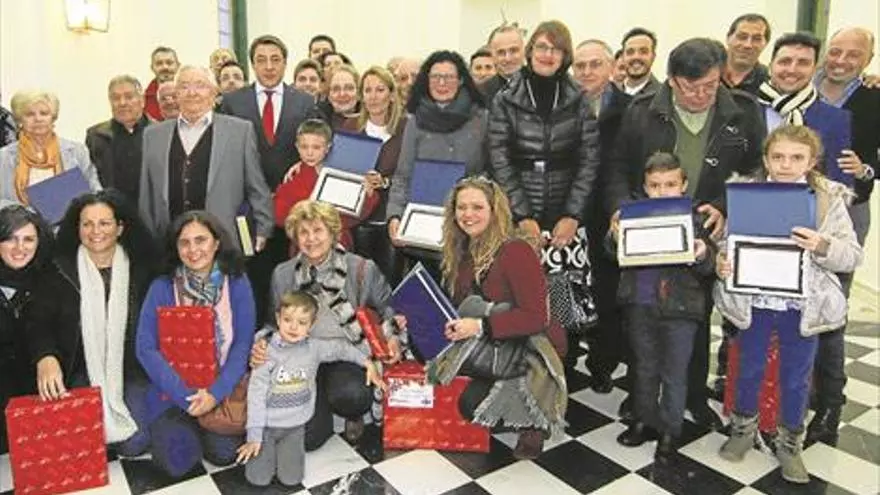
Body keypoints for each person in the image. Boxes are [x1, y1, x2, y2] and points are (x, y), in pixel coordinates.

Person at [606, 38, 765, 428]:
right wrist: (619, 209)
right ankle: (642, 397)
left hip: (704, 226)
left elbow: (755, 171)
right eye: (690, 87)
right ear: (672, 80)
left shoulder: (743, 111)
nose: (700, 95)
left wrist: (726, 207)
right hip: (649, 224)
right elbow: (618, 166)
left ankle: (693, 394)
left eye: (710, 86)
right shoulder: (642, 111)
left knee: (696, 313)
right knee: (642, 313)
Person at [716, 125, 863, 484]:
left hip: (802, 306)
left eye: (797, 158)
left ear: (811, 161)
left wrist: (822, 245)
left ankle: (790, 443)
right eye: (778, 157)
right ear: (766, 159)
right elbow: (727, 242)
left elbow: (852, 255)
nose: (786, 164)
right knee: (749, 367)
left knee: (796, 377)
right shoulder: (746, 193)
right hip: (754, 300)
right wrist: (723, 263)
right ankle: (742, 430)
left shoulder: (828, 198)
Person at [428, 177, 567, 460]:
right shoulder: (462, 248)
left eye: (477, 207)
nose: (468, 214)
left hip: (531, 345)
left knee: (470, 405)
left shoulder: (515, 250)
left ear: (495, 210)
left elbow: (536, 317)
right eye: (461, 207)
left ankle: (532, 419)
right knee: (434, 356)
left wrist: (479, 326)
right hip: (494, 337)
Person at [251, 200, 406, 449]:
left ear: (333, 233)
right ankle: (318, 400)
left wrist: (394, 337)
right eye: (303, 232)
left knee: (352, 395)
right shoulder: (283, 274)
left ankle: (352, 413)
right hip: (301, 355)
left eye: (318, 230)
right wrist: (261, 343)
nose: (311, 239)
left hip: (349, 353)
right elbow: (272, 323)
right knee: (309, 438)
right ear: (295, 237)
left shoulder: (361, 269)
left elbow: (389, 309)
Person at [488, 20, 599, 355]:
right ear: (530, 50)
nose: (547, 54)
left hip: (566, 216)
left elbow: (589, 160)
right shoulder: (505, 99)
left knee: (565, 311)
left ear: (565, 56)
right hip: (519, 215)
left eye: (556, 49)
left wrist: (572, 215)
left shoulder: (579, 98)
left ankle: (563, 370)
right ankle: (523, 372)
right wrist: (522, 216)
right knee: (522, 300)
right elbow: (499, 159)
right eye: (541, 47)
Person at [27, 190, 156, 455]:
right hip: (80, 369)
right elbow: (38, 322)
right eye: (87, 224)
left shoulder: (143, 269)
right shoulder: (59, 270)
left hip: (132, 369)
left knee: (134, 444)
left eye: (104, 223)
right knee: (85, 442)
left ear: (120, 228)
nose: (95, 231)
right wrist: (45, 356)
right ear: (78, 229)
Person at [608, 153, 716, 460]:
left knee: (675, 372)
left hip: (681, 309)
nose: (662, 191)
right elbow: (610, 252)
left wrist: (702, 253)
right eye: (655, 185)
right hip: (640, 304)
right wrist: (614, 236)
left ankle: (670, 429)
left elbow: (710, 264)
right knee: (644, 367)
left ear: (683, 185)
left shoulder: (697, 217)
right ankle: (644, 420)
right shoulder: (631, 214)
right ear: (645, 187)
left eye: (670, 184)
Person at [135, 210, 255, 477]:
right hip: (173, 393)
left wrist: (214, 394)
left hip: (221, 389)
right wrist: (186, 396)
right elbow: (145, 348)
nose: (193, 250)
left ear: (216, 242)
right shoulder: (162, 286)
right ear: (176, 248)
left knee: (224, 454)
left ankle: (202, 426)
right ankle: (185, 427)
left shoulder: (236, 281)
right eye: (184, 243)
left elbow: (243, 343)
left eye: (201, 240)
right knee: (177, 462)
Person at [809, 26, 880, 445]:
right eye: (835, 51)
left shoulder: (874, 96)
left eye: (853, 55)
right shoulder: (802, 86)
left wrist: (867, 170)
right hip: (795, 207)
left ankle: (830, 399)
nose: (841, 60)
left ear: (868, 60)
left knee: (831, 306)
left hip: (847, 212)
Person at [236, 291, 383, 487]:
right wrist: (254, 435)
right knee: (258, 479)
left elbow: (341, 348)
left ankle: (282, 456)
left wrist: (367, 362)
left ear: (311, 325)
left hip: (295, 428)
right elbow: (255, 396)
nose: (293, 327)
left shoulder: (314, 348)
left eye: (302, 322)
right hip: (266, 427)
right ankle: (267, 455)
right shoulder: (265, 353)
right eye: (287, 320)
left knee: (292, 479)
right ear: (278, 319)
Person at [220, 35, 315, 328]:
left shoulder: (304, 101)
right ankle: (257, 336)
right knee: (254, 279)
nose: (269, 66)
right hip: (249, 209)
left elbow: (316, 143)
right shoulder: (234, 102)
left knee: (292, 278)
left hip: (293, 208)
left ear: (285, 63)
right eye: (261, 60)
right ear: (252, 64)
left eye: (275, 60)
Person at [139, 66, 273, 252]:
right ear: (176, 93)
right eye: (184, 86)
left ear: (214, 92)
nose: (192, 93)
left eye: (200, 85)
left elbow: (256, 186)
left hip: (224, 240)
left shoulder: (240, 132)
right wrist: (148, 237)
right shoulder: (153, 135)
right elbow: (147, 194)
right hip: (170, 243)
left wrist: (263, 228)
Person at [572, 39, 633, 393]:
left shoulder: (631, 110)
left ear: (612, 67)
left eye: (595, 64)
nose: (587, 72)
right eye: (580, 66)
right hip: (569, 214)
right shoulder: (560, 107)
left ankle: (602, 363)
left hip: (609, 215)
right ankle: (565, 360)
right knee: (566, 287)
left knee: (607, 293)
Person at [386, 50, 487, 248]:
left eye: (449, 77)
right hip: (423, 222)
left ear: (461, 80)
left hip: (470, 224)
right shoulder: (414, 121)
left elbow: (492, 172)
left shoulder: (481, 119)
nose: (441, 83)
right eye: (435, 77)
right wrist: (395, 215)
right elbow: (403, 176)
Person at [273, 119, 379, 252]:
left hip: (337, 243)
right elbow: (279, 215)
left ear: (328, 147)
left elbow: (356, 214)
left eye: (316, 147)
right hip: (304, 245)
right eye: (304, 147)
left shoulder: (343, 173)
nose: (310, 153)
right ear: (297, 147)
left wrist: (367, 194)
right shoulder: (294, 176)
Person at [0, 205, 52, 454]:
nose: (19, 248)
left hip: (37, 386)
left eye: (28, 239)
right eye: (10, 238)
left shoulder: (50, 279)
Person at [352, 66, 408, 283]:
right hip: (357, 221)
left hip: (391, 221)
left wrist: (385, 182)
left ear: (392, 95)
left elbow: (412, 174)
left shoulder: (407, 128)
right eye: (368, 90)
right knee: (360, 285)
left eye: (380, 90)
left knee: (389, 284)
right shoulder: (350, 127)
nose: (373, 96)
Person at [0, 90, 102, 206]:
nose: (38, 119)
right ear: (19, 120)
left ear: (53, 117)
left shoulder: (77, 151)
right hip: (20, 217)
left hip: (70, 216)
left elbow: (95, 192)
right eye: (30, 114)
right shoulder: (3, 157)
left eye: (44, 113)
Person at [86, 75, 151, 203]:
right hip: (111, 209)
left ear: (142, 100)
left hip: (150, 210)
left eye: (129, 97)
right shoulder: (96, 136)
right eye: (116, 98)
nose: (122, 103)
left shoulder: (159, 133)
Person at [723, 13, 771, 94]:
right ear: (728, 38)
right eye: (742, 37)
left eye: (757, 39)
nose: (747, 45)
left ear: (766, 44)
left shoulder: (769, 82)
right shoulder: (707, 72)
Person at [481, 22, 527, 104]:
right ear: (492, 55)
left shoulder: (538, 85)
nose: (508, 58)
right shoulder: (482, 92)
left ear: (524, 51)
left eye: (514, 50)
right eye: (501, 52)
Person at [620, 28, 661, 95]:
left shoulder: (664, 96)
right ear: (622, 57)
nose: (636, 57)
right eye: (630, 52)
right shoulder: (609, 94)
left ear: (653, 57)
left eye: (643, 52)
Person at [144, 46, 180, 121]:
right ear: (152, 68)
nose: (165, 67)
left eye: (169, 63)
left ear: (178, 66)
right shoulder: (143, 100)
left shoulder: (189, 95)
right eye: (159, 63)